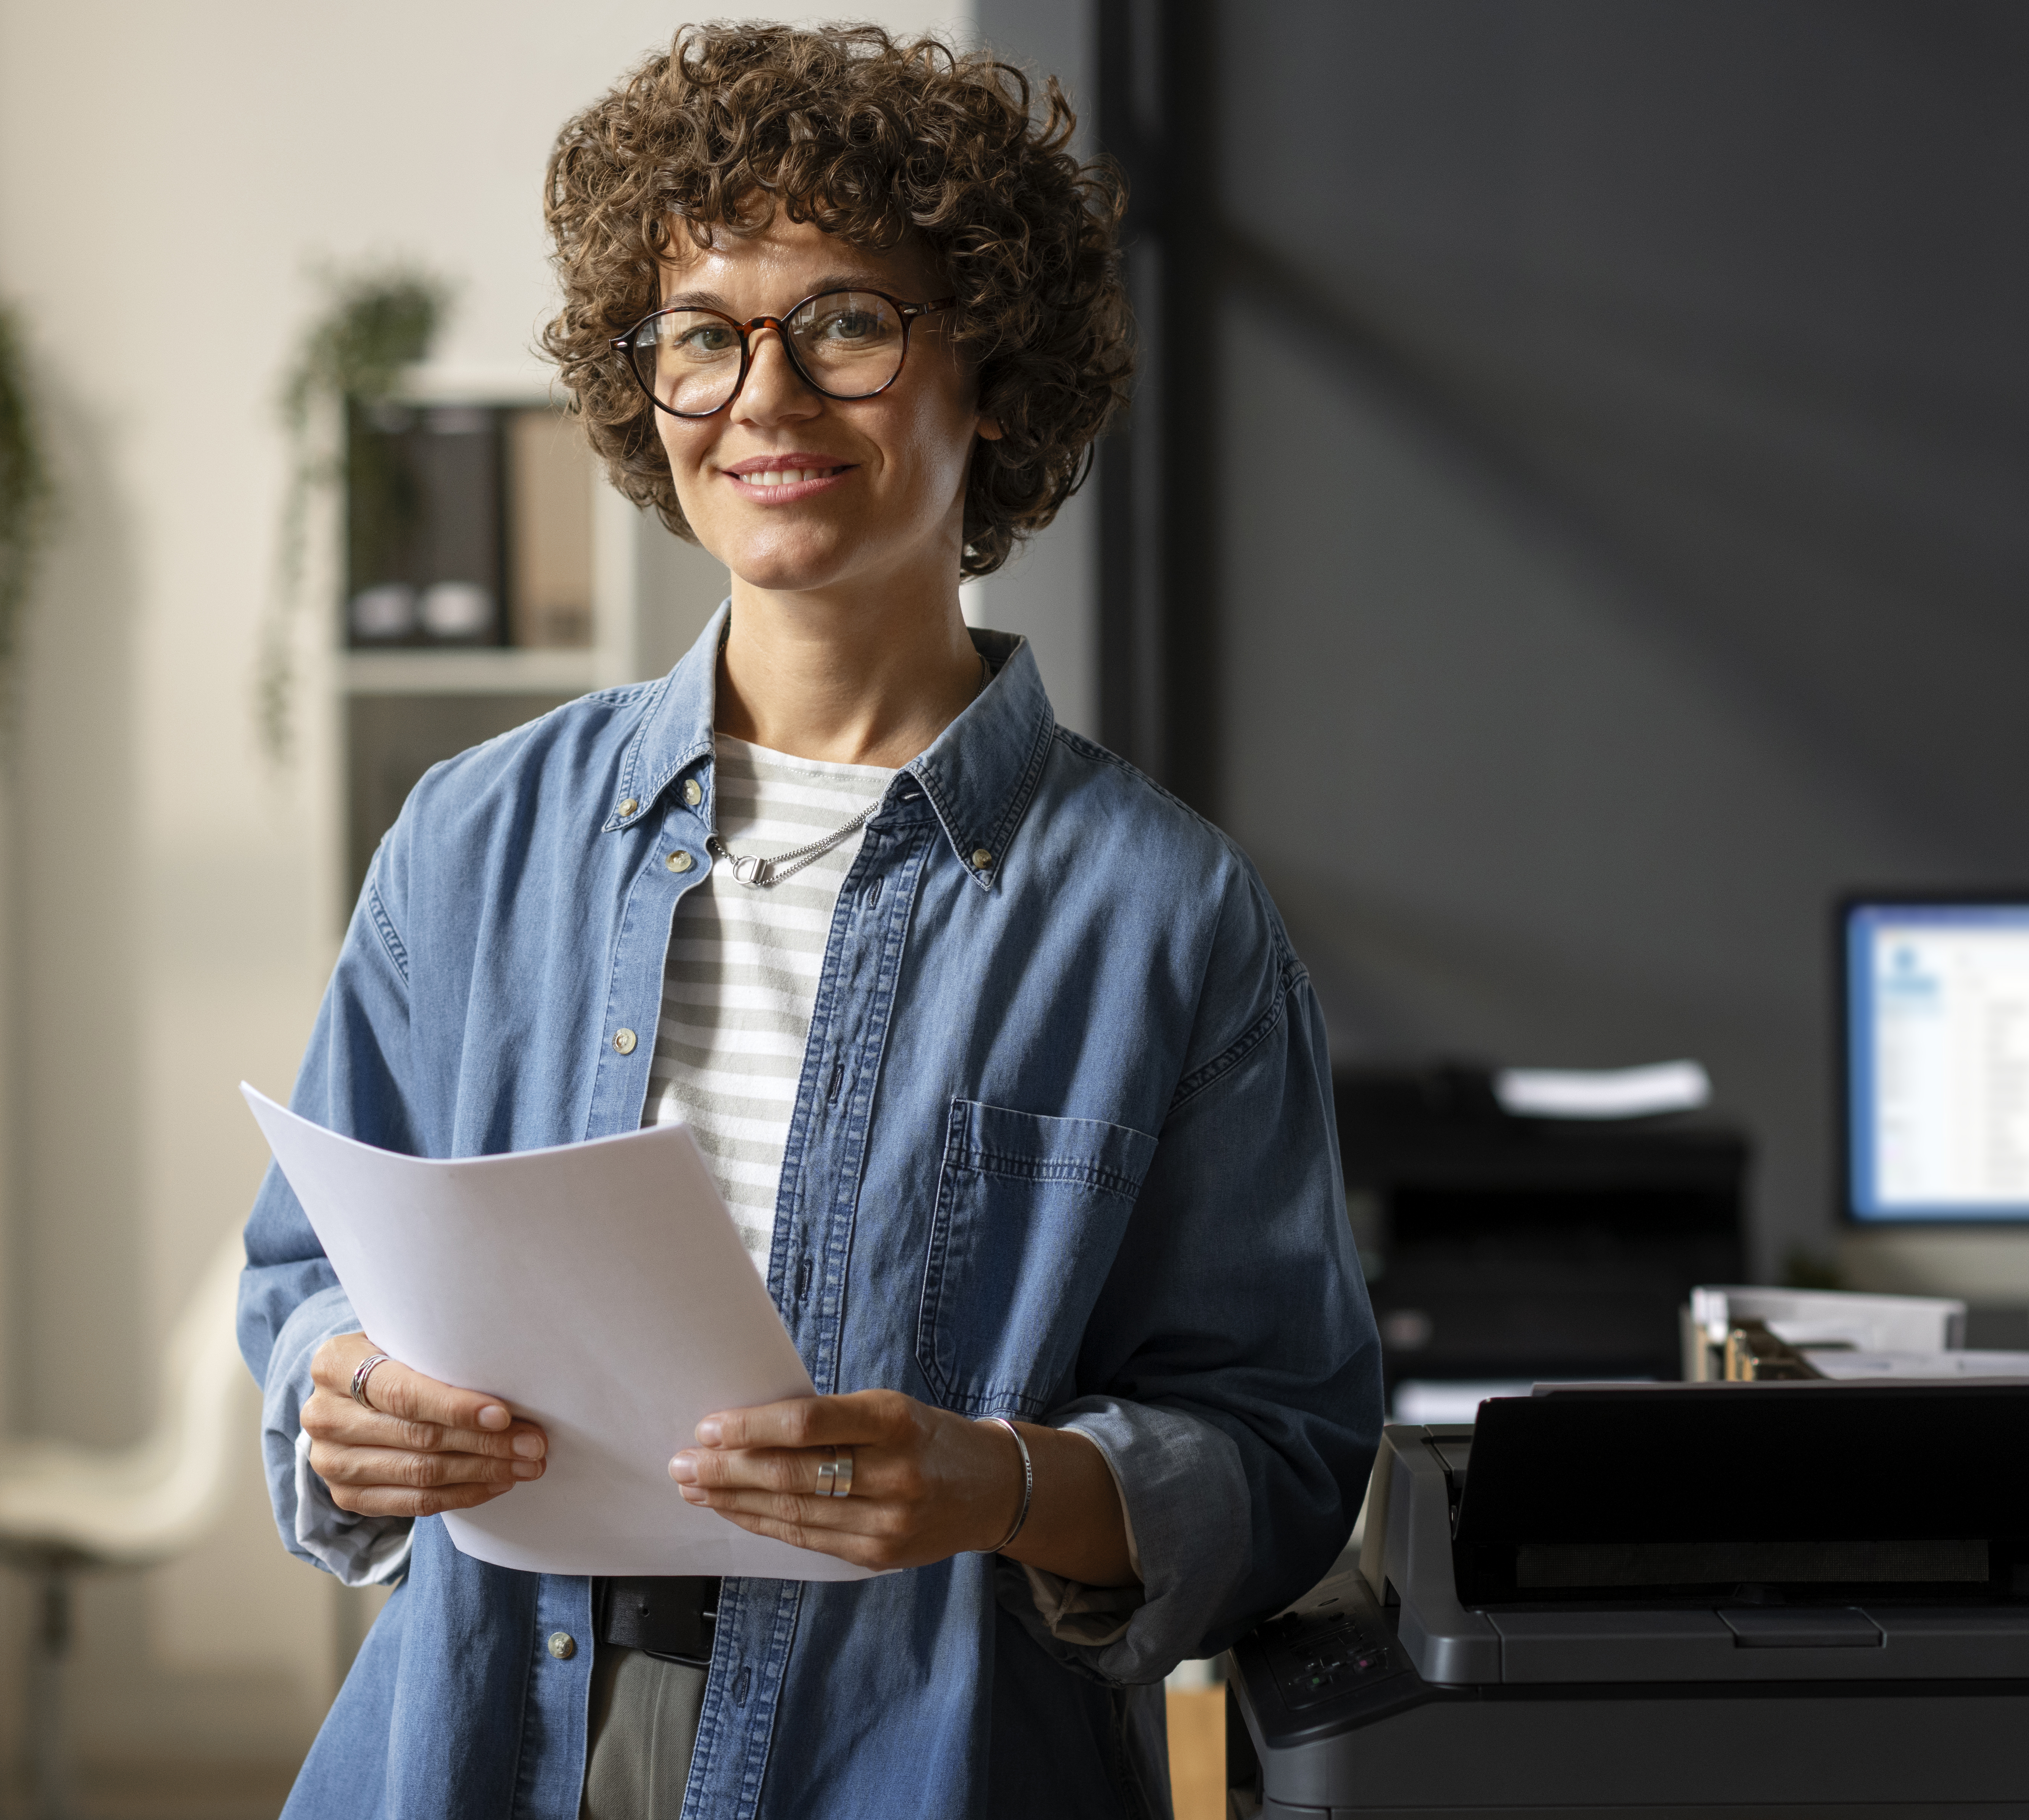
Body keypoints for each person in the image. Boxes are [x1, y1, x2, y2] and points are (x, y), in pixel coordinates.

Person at [236, 24, 1382, 1819]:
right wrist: (347, 1390)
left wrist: (1000, 1484)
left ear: (988, 370)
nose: (761, 399)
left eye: (843, 324)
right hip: (477, 1742)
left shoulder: (1160, 914)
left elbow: (1281, 1450)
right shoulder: (471, 840)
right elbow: (304, 1282)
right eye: (702, 336)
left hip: (915, 1762)